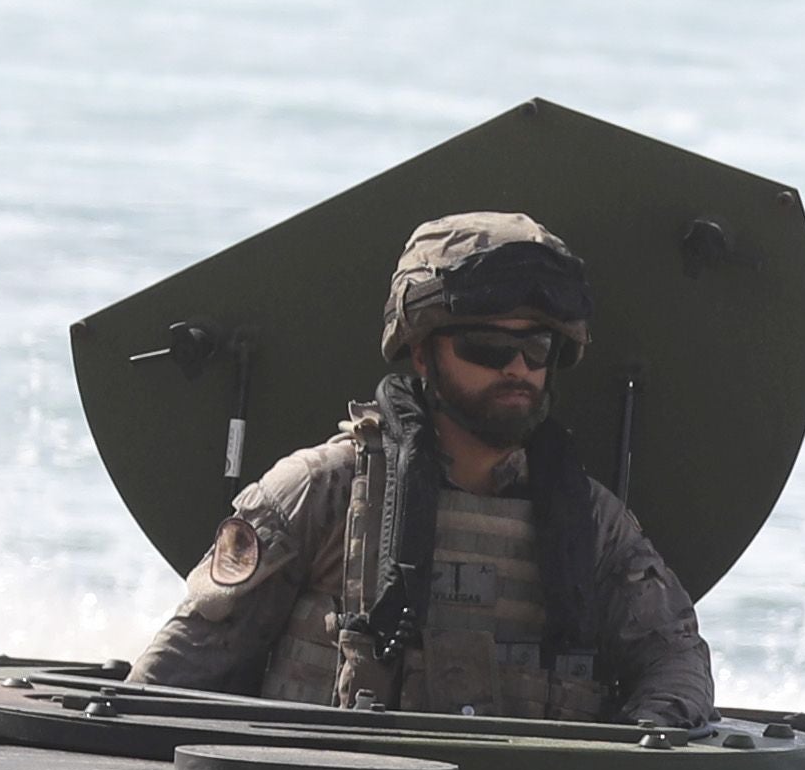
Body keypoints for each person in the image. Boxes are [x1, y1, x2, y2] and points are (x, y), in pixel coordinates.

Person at [136, 211, 717, 724]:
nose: (516, 368)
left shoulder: (594, 524)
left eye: (537, 349)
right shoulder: (323, 492)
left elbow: (676, 661)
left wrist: (638, 742)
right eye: (486, 350)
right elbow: (175, 678)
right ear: (422, 353)